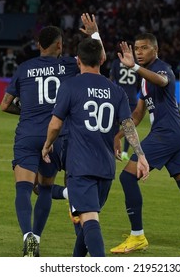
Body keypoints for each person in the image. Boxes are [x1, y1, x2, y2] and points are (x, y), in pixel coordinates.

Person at [0, 13, 100, 257]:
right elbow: (98, 59)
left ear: (38, 45)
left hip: (27, 134)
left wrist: (25, 112)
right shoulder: (68, 65)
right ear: (59, 45)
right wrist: (94, 33)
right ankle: (40, 234)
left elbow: (4, 104)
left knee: (23, 189)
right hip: (55, 138)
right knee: (45, 189)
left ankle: (28, 238)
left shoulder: (24, 68)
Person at [42, 37, 150, 257]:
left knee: (89, 221)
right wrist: (140, 155)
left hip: (81, 166)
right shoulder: (116, 91)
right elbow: (128, 125)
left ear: (78, 60)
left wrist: (46, 145)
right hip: (106, 168)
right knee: (86, 221)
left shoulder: (70, 86)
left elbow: (55, 124)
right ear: (101, 59)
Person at [110, 33, 180, 256]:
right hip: (178, 134)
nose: (138, 52)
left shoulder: (161, 69)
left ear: (155, 50)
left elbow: (163, 81)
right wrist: (119, 135)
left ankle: (137, 236)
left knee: (127, 177)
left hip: (167, 133)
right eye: (136, 48)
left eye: (144, 48)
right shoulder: (145, 79)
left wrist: (135, 68)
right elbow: (137, 114)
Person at [109, 50, 140, 161]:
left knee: (115, 124)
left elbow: (112, 80)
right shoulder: (135, 65)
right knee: (128, 125)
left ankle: (113, 149)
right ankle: (125, 152)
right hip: (132, 98)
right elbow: (139, 84)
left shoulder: (116, 63)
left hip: (118, 97)